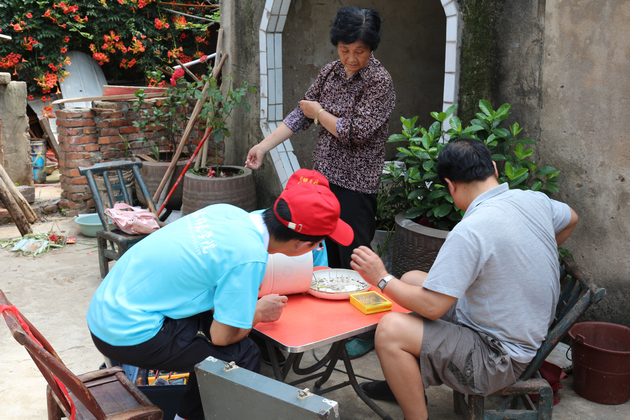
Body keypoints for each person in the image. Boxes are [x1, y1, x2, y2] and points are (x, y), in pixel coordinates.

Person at [86, 169, 353, 420]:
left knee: (217, 332)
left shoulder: (226, 212)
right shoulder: (248, 257)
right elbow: (221, 336)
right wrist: (257, 313)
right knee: (240, 354)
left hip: (106, 308)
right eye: (318, 245)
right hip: (128, 333)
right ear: (302, 245)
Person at [350, 138, 579, 420]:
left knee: (389, 330)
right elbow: (571, 217)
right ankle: (405, 379)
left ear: (451, 185)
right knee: (411, 279)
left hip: (497, 358)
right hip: (520, 328)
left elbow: (432, 307)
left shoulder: (471, 230)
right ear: (493, 168)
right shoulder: (534, 199)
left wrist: (381, 277)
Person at [246, 6, 395, 358]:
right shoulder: (330, 72)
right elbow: (301, 114)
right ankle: (330, 322)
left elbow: (353, 132)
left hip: (356, 184)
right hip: (322, 181)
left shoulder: (379, 82)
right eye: (345, 49)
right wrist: (263, 146)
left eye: (360, 51)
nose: (351, 58)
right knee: (320, 255)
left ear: (372, 48)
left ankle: (366, 330)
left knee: (354, 255)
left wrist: (319, 113)